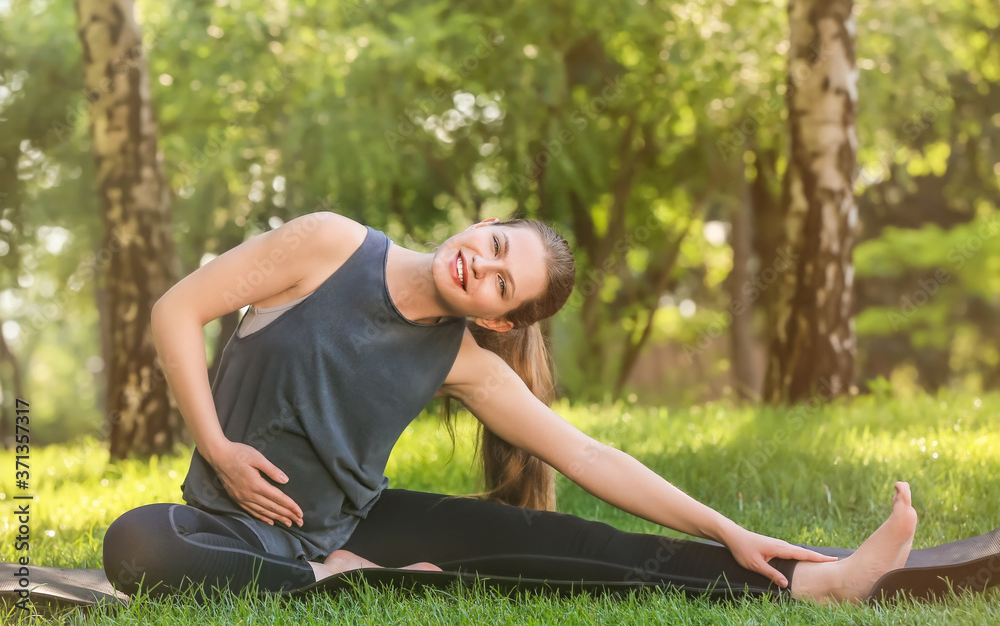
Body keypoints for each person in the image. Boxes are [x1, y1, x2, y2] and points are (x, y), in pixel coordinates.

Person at [102, 210, 917, 605]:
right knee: (136, 542)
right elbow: (176, 307)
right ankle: (334, 578)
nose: (482, 267)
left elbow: (589, 458)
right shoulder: (328, 244)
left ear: (498, 319)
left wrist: (724, 525)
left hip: (349, 523)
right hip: (221, 520)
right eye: (494, 246)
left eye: (503, 285)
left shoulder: (461, 359)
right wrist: (216, 443)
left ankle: (819, 585)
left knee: (564, 543)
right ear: (481, 223)